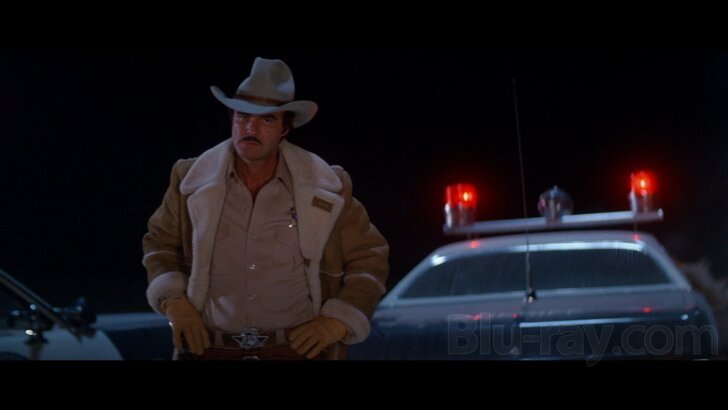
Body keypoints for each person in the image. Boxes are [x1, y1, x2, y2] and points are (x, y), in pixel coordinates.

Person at [142, 57, 389, 360]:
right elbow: (160, 244)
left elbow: (370, 256)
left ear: (285, 127)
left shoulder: (325, 186)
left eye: (267, 119)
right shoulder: (191, 181)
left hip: (294, 351)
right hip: (211, 350)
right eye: (242, 116)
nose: (250, 127)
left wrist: (337, 322)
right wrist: (175, 302)